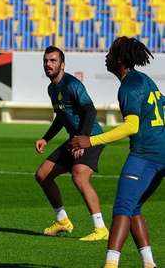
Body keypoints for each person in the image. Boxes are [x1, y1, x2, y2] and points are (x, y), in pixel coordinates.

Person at [70, 37, 164, 268]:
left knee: (123, 207)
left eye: (110, 52)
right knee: (134, 207)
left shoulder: (129, 85)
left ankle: (110, 265)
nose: (106, 55)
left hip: (146, 155)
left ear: (120, 58)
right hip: (159, 152)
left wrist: (89, 141)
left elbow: (131, 126)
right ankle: (149, 264)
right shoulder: (144, 80)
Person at [33, 45, 108, 241]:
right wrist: (46, 138)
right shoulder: (52, 88)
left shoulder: (73, 85)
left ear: (62, 65)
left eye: (53, 60)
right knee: (42, 175)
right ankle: (62, 221)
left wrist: (82, 142)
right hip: (74, 139)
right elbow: (61, 116)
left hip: (91, 138)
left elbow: (90, 111)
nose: (48, 64)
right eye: (46, 61)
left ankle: (100, 228)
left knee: (79, 176)